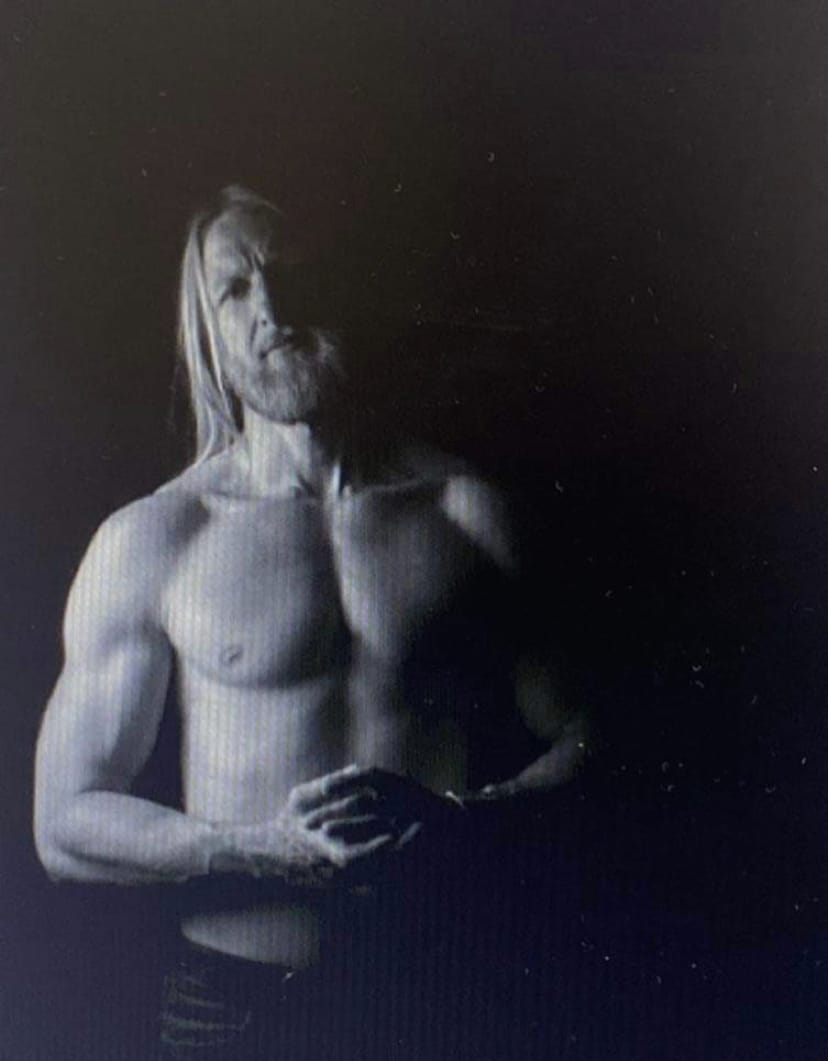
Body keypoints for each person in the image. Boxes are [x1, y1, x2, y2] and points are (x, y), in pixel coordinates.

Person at [34, 186, 588, 1059]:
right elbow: (64, 822)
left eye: (293, 272)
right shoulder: (153, 539)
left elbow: (596, 739)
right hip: (233, 1009)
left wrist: (466, 820)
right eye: (236, 288)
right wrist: (259, 849)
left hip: (436, 1003)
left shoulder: (468, 513)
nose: (274, 308)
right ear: (209, 332)